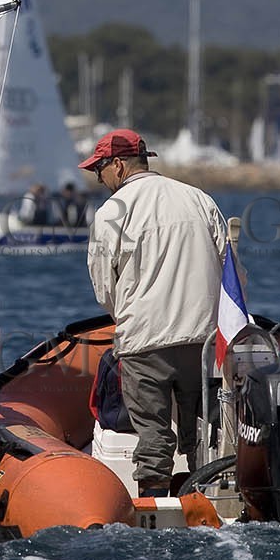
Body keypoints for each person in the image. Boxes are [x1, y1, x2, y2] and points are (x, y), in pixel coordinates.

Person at [81, 128, 227, 497]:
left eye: (99, 170)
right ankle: (206, 494)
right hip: (202, 339)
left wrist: (125, 314)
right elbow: (229, 268)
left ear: (117, 165)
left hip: (145, 340)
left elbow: (103, 286)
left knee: (153, 432)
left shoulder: (112, 212)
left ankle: (154, 500)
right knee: (202, 428)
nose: (99, 179)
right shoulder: (198, 198)